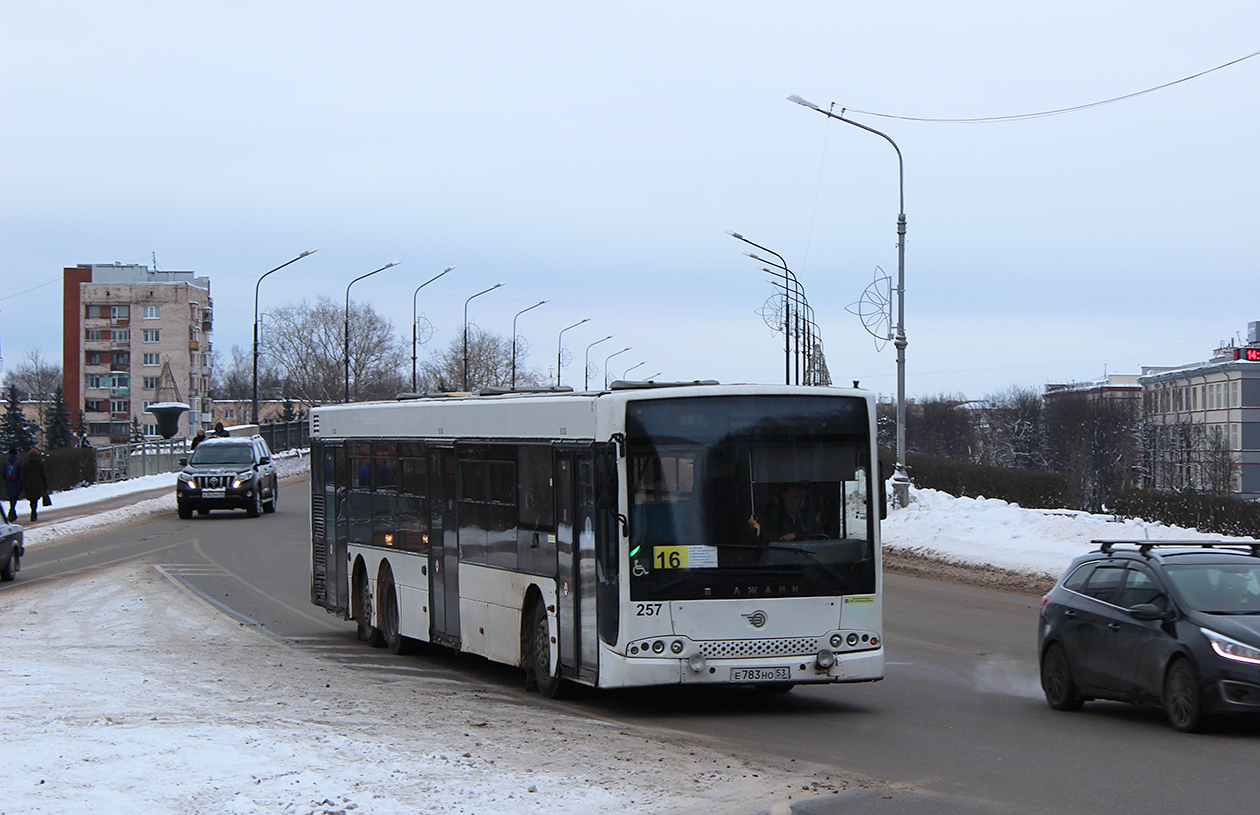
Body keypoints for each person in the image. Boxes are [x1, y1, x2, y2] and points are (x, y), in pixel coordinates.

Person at [19, 447, 48, 523]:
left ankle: (32, 510)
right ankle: (34, 513)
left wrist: (21, 484)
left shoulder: (26, 464)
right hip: (37, 483)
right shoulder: (40, 463)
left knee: (31, 499)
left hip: (28, 484)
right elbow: (43, 475)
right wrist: (45, 485)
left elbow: (23, 475)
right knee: (35, 499)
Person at [3, 447, 22, 523]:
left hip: (8, 483)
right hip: (16, 483)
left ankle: (12, 513)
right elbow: (20, 473)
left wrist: (6, 481)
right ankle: (11, 513)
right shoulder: (18, 463)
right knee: (14, 498)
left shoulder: (5, 463)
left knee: (11, 498)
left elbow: (3, 474)